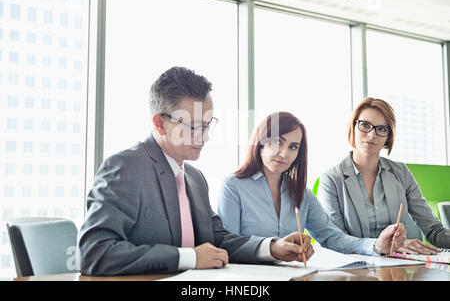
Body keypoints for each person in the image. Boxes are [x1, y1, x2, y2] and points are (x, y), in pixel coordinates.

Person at [77, 67, 309, 276]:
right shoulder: (126, 167)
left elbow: (217, 239)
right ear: (159, 123)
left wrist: (271, 248)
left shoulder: (194, 178)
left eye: (207, 126)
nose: (205, 137)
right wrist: (189, 257)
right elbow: (94, 252)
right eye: (194, 126)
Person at [218, 111, 406, 256]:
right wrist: (272, 248)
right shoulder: (233, 186)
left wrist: (376, 245)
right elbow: (228, 245)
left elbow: (331, 237)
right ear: (260, 142)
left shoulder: (302, 194)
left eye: (293, 147)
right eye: (277, 142)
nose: (284, 154)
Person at [317, 97, 450, 254]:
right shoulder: (331, 179)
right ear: (353, 127)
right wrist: (377, 246)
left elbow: (434, 231)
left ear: (388, 136)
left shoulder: (401, 172)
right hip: (356, 270)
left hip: (400, 268)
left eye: (381, 129)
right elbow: (334, 239)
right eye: (365, 125)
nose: (372, 135)